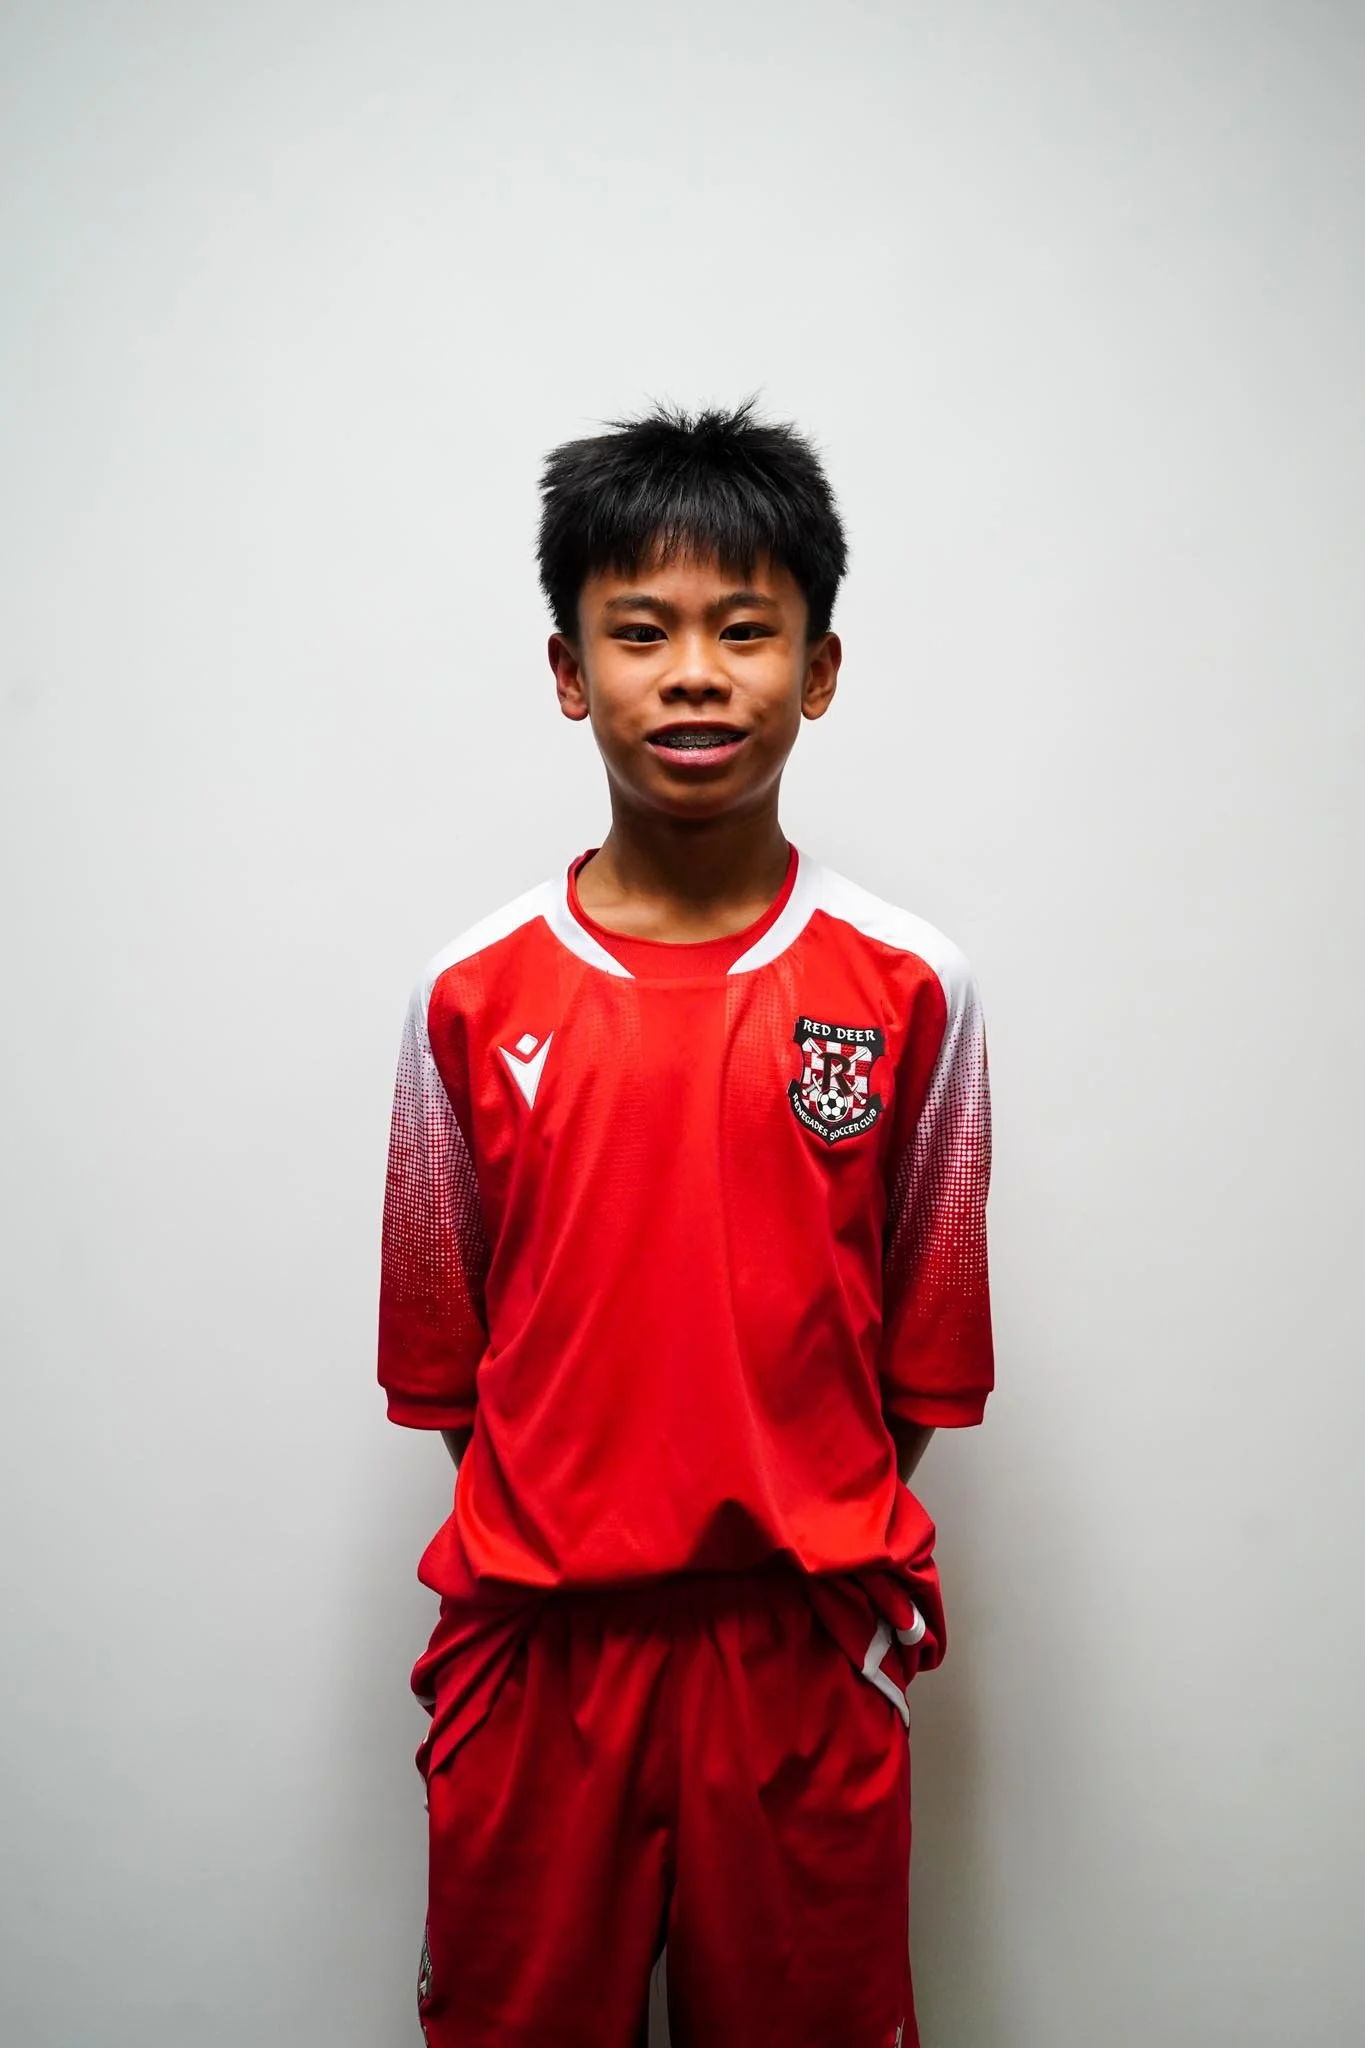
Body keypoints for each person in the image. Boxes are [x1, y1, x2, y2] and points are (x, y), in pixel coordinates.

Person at [377, 401, 995, 2048]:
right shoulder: (469, 993)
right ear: (571, 670)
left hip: (795, 1658)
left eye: (747, 630)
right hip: (542, 1660)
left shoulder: (909, 988)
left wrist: (768, 1541)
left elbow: (921, 1366)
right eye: (642, 632)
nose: (699, 674)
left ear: (823, 666)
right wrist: (596, 1535)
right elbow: (451, 1378)